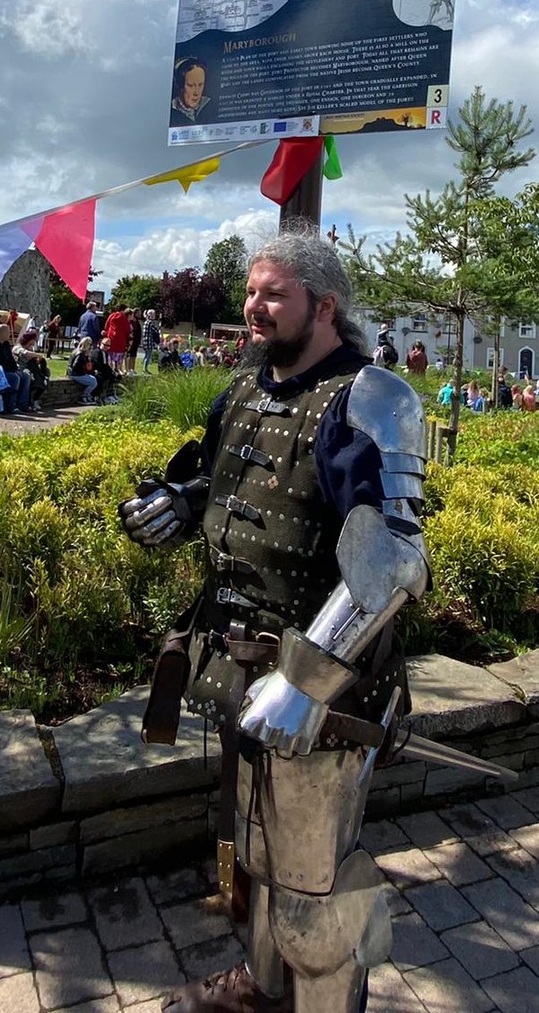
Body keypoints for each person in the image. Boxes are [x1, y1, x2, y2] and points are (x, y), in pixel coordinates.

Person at [119, 231, 427, 1013]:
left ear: (325, 306)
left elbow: (394, 559)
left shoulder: (370, 398)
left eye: (274, 294)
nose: (255, 307)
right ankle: (261, 987)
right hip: (238, 667)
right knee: (255, 849)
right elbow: (224, 486)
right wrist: (176, 504)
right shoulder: (244, 390)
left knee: (315, 884)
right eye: (252, 292)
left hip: (323, 687)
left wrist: (304, 682)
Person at [0, 322, 32, 412]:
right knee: (15, 378)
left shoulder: (6, 344)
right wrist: (13, 371)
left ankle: (23, 404)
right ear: (2, 333)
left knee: (25, 376)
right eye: (8, 332)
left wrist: (16, 369)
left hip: (9, 369)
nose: (9, 334)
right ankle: (11, 405)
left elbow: (11, 360)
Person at [14, 327, 51, 407]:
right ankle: (24, 403)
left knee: (44, 375)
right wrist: (37, 355)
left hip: (32, 369)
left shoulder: (31, 348)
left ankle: (35, 400)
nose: (34, 342)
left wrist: (38, 360)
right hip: (21, 369)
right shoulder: (18, 347)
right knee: (29, 376)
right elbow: (26, 353)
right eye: (33, 340)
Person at [170, 57, 211, 124]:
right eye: (191, 85)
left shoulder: (211, 105)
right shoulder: (170, 110)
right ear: (180, 85)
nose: (196, 92)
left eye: (200, 85)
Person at [68, 336, 99, 403]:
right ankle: (83, 396)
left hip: (74, 373)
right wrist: (84, 372)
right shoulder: (80, 354)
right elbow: (76, 366)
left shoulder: (78, 351)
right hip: (75, 374)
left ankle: (88, 395)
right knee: (93, 382)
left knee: (94, 378)